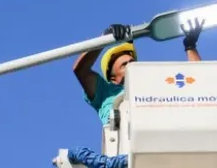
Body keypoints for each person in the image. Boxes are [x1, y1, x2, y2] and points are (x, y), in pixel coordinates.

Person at [72, 18, 205, 125]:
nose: (131, 65)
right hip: (123, 149)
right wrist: (103, 39)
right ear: (113, 78)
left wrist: (190, 46)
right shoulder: (104, 92)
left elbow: (196, 84)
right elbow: (81, 70)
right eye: (124, 65)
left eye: (132, 62)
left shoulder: (154, 90)